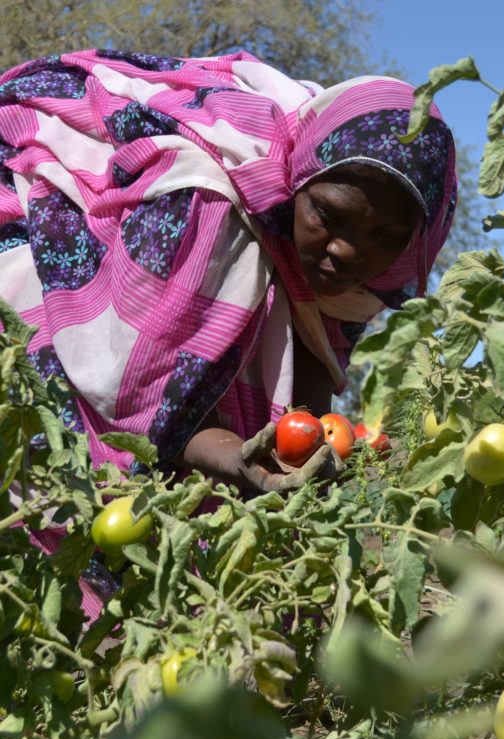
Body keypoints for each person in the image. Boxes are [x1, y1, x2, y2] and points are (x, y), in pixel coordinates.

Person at [0, 49, 457, 493]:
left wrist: (326, 454)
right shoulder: (205, 203)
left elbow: (311, 389)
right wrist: (241, 461)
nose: (346, 251)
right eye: (327, 216)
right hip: (58, 279)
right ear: (300, 177)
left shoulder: (377, 270)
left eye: (384, 236)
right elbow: (132, 390)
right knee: (61, 462)